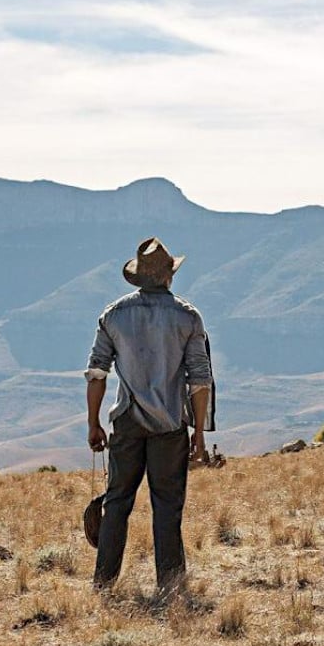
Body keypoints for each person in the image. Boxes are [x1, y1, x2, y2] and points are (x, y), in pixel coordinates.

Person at [84, 237, 215, 595]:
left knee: (116, 505)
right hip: (170, 425)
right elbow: (199, 381)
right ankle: (171, 588)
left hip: (126, 421)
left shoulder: (114, 315)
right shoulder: (188, 317)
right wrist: (199, 435)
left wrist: (93, 422)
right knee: (167, 509)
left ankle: (104, 584)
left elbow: (97, 372)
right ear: (169, 276)